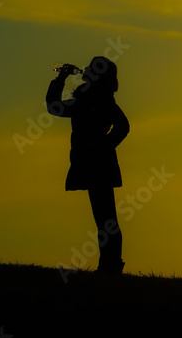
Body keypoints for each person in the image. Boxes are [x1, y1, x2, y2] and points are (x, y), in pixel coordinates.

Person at [47, 57, 130, 273]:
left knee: (105, 217)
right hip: (92, 161)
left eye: (92, 68)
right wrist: (61, 78)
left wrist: (104, 146)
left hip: (98, 163)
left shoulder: (99, 100)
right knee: (104, 216)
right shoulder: (88, 99)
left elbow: (123, 125)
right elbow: (55, 108)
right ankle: (110, 265)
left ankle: (110, 266)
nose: (86, 70)